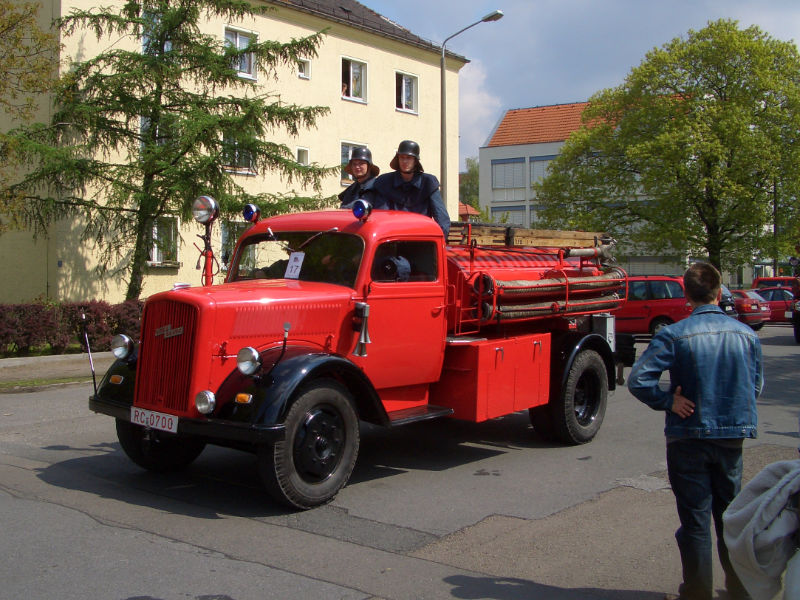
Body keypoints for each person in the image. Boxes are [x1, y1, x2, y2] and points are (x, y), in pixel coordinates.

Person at [627, 262, 763, 600]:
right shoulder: (746, 334)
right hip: (731, 435)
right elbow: (755, 386)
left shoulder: (675, 334)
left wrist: (668, 402)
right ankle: (740, 588)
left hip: (688, 436)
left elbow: (638, 380)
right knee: (730, 516)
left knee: (696, 520)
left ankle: (698, 591)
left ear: (686, 295)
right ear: (719, 292)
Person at [370, 140, 450, 236]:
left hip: (420, 240)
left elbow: (442, 220)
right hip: (392, 239)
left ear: (415, 161)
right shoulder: (385, 183)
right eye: (401, 157)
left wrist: (435, 245)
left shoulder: (428, 183)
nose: (404, 161)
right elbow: (381, 217)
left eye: (409, 158)